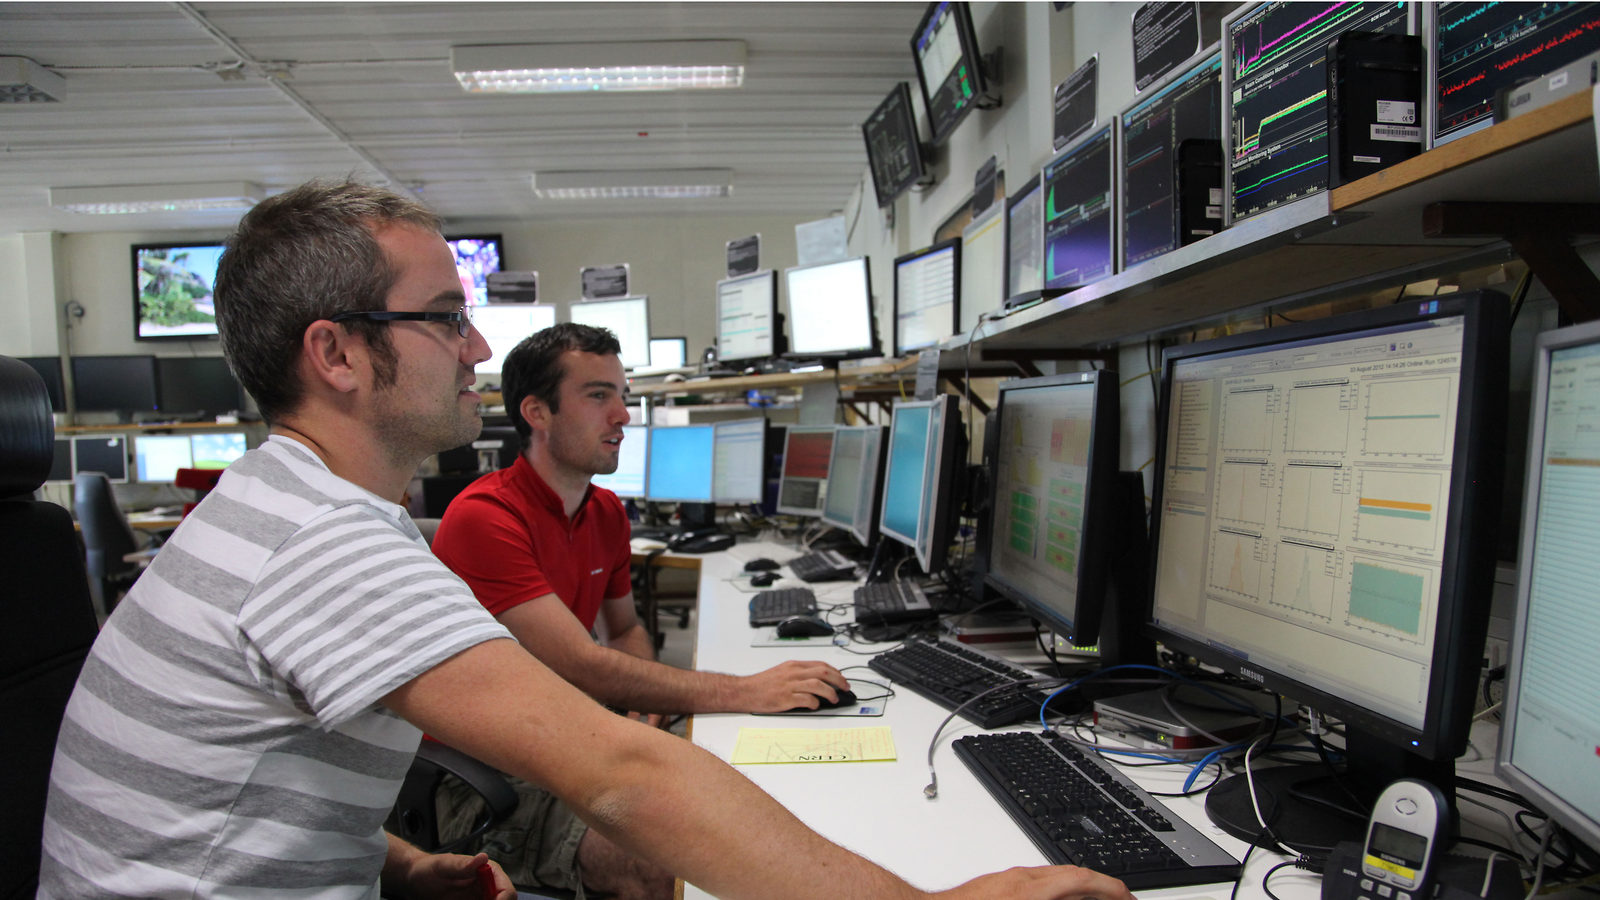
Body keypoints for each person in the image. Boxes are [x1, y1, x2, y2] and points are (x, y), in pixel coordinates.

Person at [39, 178, 1138, 900]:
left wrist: (405, 865)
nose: (475, 343)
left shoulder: (272, 512)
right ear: (336, 354)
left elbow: (214, 795)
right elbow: (616, 772)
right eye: (439, 318)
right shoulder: (319, 540)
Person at [429, 322, 849, 897]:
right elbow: (584, 664)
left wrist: (639, 709)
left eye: (623, 396)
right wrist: (743, 690)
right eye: (599, 396)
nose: (624, 416)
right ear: (537, 412)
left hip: (579, 736)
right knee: (672, 866)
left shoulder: (604, 511)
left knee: (770, 797)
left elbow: (624, 630)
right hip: (495, 776)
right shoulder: (485, 517)